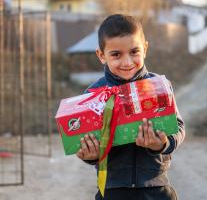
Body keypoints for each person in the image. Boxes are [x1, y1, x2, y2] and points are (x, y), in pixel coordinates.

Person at [76, 14, 185, 200]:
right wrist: (90, 155)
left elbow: (179, 128)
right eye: (116, 54)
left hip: (156, 188)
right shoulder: (93, 96)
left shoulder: (159, 87)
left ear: (145, 49)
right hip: (112, 191)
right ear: (101, 55)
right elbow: (86, 141)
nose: (127, 62)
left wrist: (162, 143)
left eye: (134, 52)